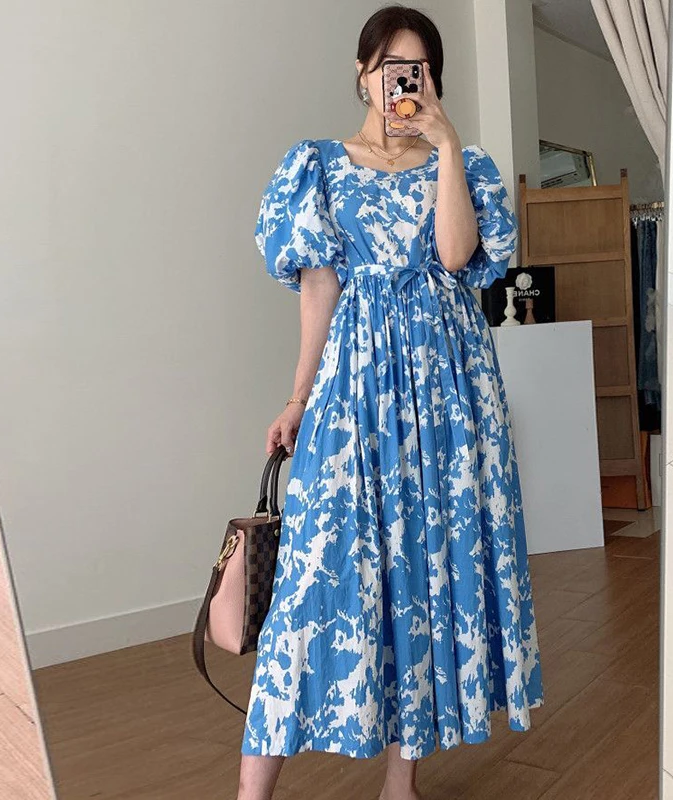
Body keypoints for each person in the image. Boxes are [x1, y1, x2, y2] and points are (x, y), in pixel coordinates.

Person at [237, 6, 544, 800]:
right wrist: (297, 398)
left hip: (451, 392)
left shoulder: (461, 162)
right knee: (312, 582)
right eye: (386, 68)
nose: (399, 83)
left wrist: (446, 147)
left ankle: (399, 783)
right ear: (361, 73)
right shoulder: (318, 165)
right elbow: (318, 292)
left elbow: (455, 255)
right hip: (355, 391)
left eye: (416, 70)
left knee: (424, 572)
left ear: (432, 80)